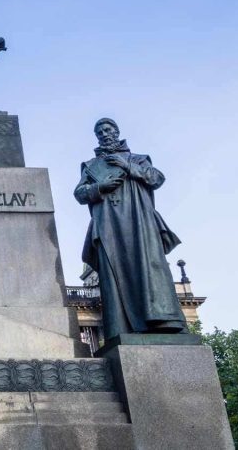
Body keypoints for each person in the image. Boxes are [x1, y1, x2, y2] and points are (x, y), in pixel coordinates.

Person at [74, 118, 187, 340]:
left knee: (148, 267)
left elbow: (156, 178)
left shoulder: (139, 159)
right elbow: (79, 194)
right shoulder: (90, 166)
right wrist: (99, 187)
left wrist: (127, 166)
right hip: (109, 225)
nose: (104, 134)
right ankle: (121, 327)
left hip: (139, 222)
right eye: (99, 131)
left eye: (108, 129)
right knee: (113, 272)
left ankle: (160, 319)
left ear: (116, 132)